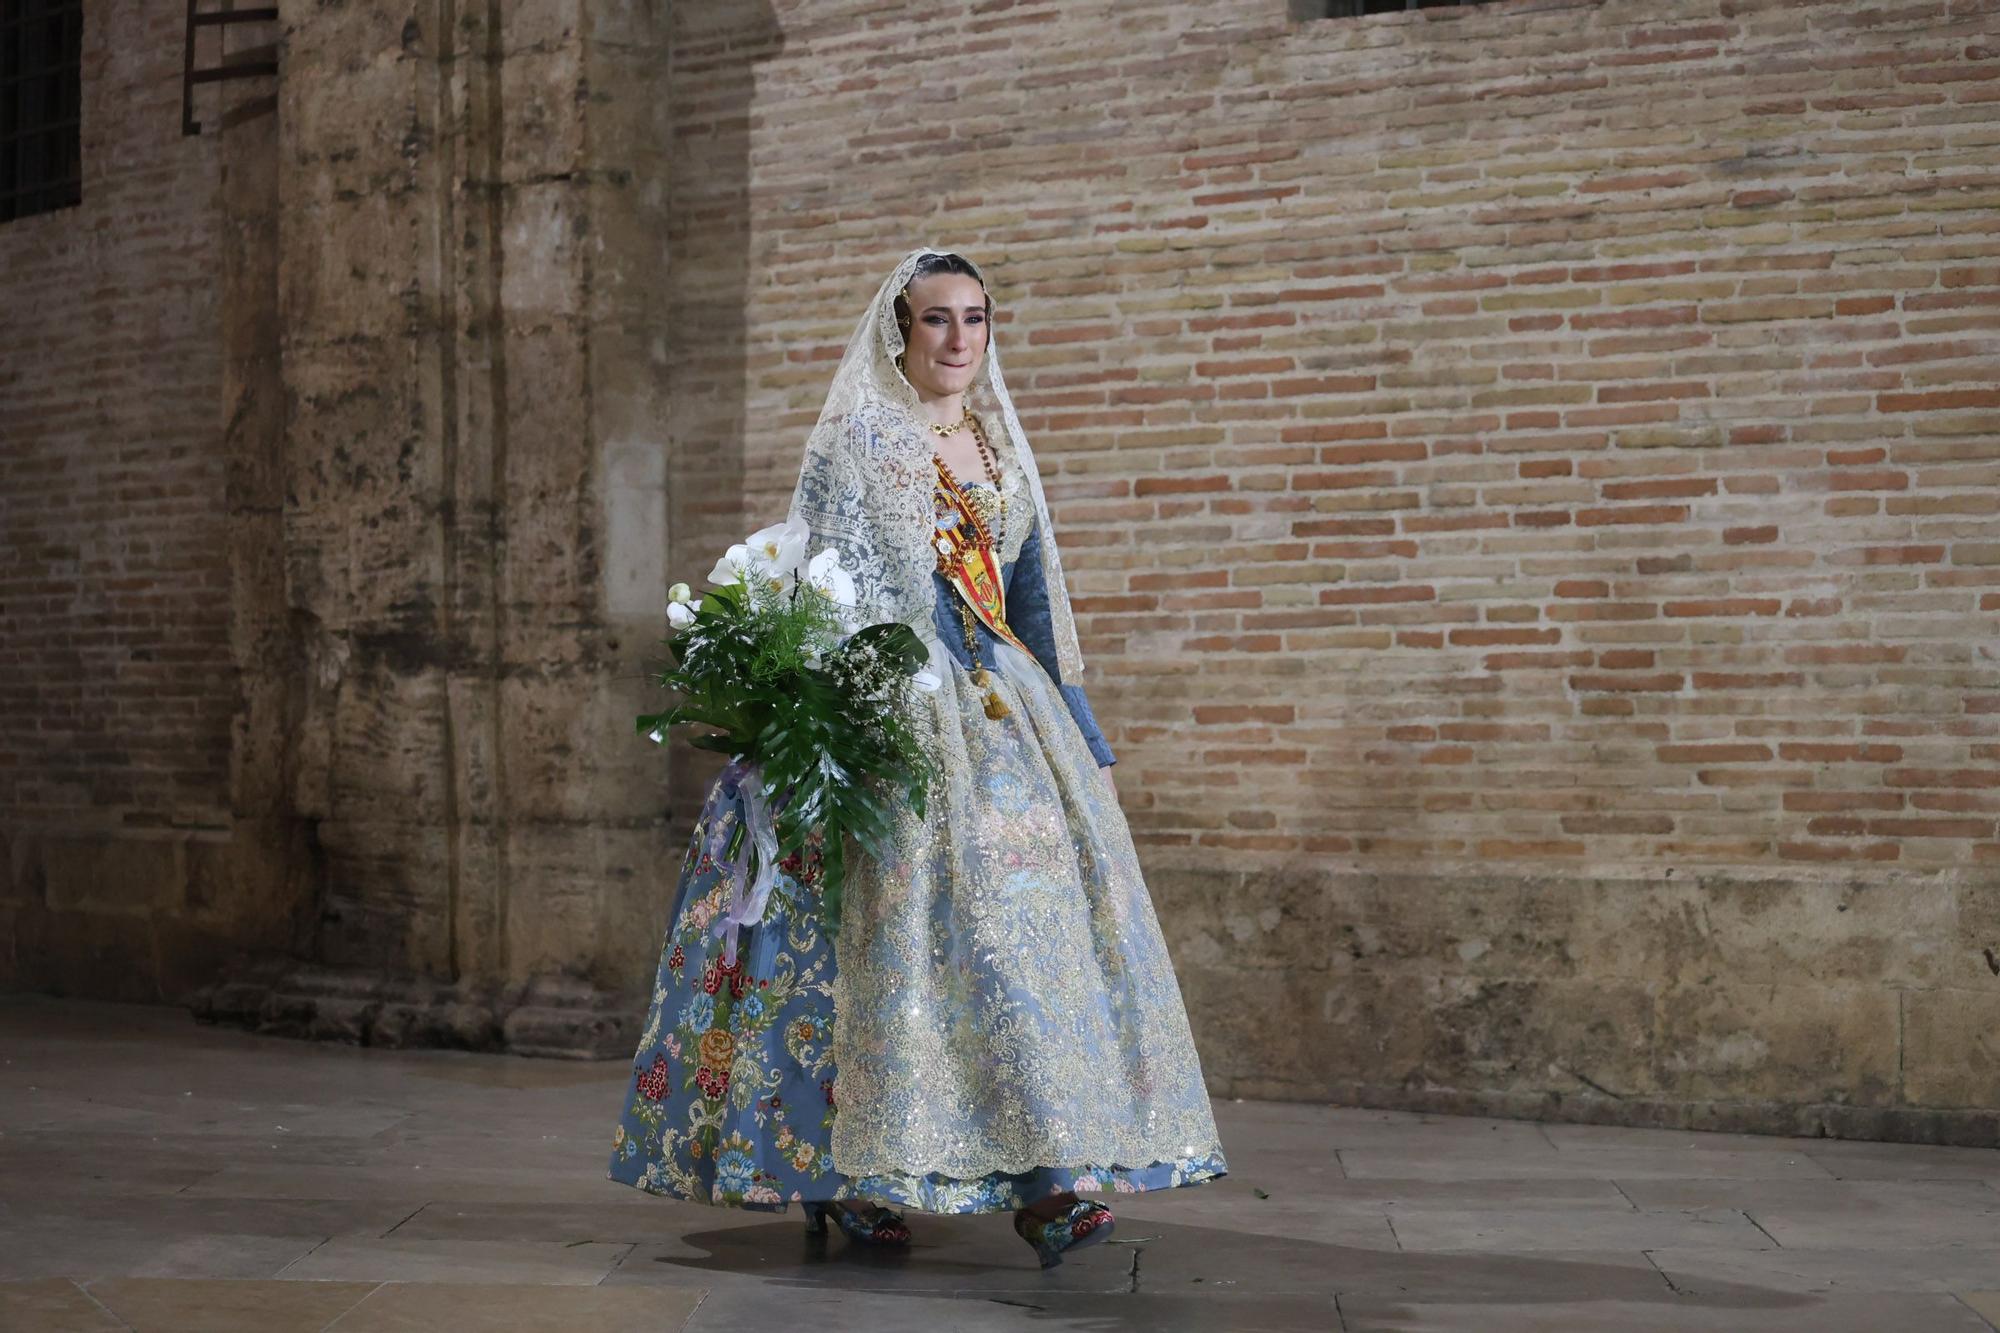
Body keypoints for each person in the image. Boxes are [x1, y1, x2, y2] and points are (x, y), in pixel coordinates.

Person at [609, 249, 1225, 1268]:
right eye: (937, 320)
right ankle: (863, 1181)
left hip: (1008, 724)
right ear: (900, 328)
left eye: (975, 320)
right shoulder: (860, 440)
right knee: (899, 952)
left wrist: (1084, 734)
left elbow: (1030, 598)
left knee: (1029, 946)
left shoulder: (999, 448)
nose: (957, 340)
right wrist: (841, 730)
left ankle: (1050, 1174)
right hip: (895, 712)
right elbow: (829, 583)